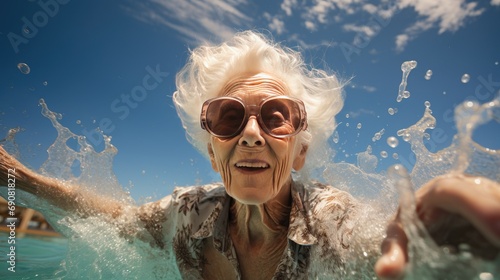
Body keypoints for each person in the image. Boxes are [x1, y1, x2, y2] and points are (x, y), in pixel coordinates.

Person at [1, 30, 499, 279]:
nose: (252, 134)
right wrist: (17, 177)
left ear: (300, 151)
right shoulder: (189, 212)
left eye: (276, 116)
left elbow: (377, 240)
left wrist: (432, 230)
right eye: (229, 117)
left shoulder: (328, 221)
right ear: (214, 151)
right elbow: (114, 218)